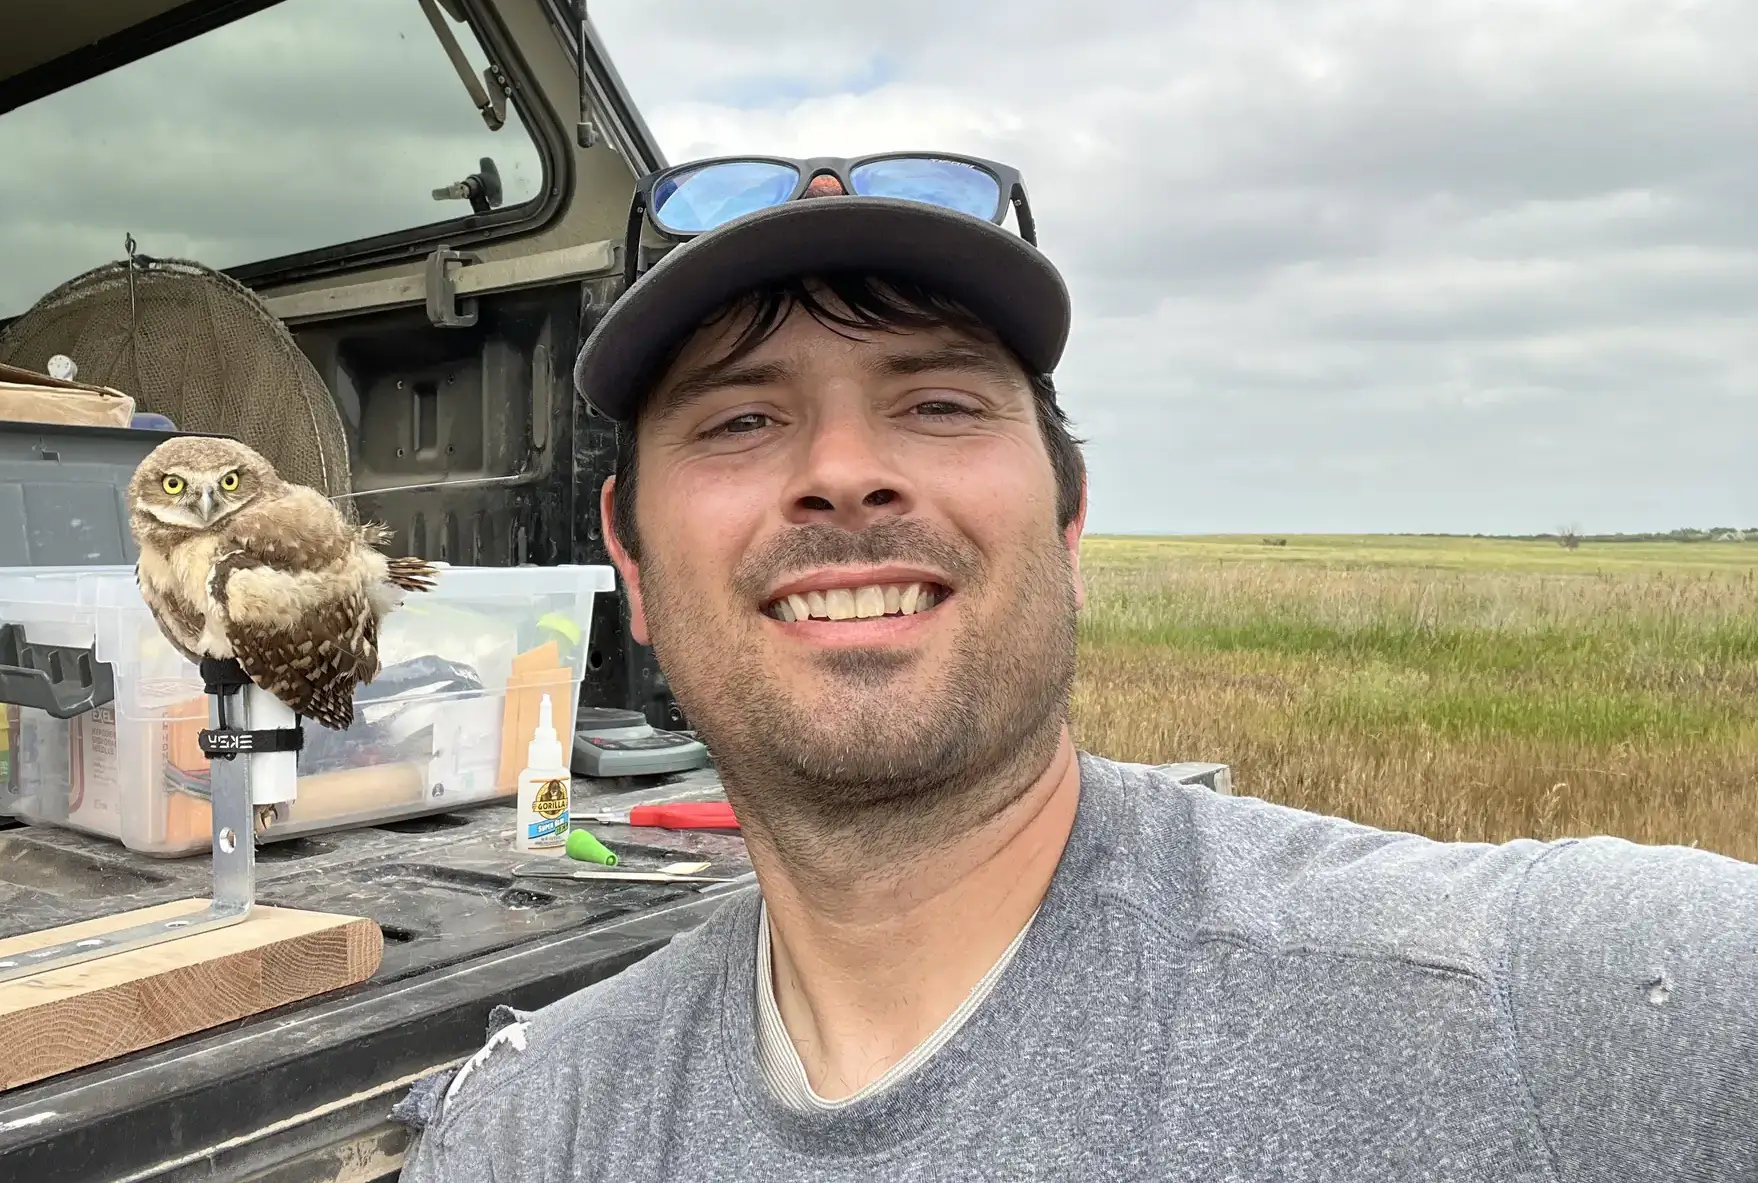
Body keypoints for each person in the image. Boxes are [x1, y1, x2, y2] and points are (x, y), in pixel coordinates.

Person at [390, 156, 1758, 1181]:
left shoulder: (1536, 1002)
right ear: (628, 555)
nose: (843, 471)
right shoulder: (531, 1129)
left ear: (1067, 518)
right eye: (742, 417)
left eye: (935, 402)